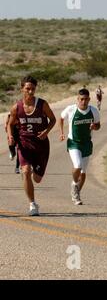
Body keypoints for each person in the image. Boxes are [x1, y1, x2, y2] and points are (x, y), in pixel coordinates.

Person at [7, 76, 56, 216]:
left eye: (33, 89)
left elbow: (52, 119)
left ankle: (36, 172)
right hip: (24, 144)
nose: (30, 91)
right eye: (27, 88)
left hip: (41, 145)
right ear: (22, 89)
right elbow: (10, 124)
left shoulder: (42, 104)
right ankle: (32, 204)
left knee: (37, 179)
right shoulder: (16, 107)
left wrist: (46, 131)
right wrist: (10, 136)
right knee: (26, 171)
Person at [59, 88, 101, 205]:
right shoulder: (71, 109)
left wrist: (94, 127)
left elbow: (98, 125)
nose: (83, 102)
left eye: (86, 99)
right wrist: (62, 132)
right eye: (81, 99)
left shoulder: (94, 111)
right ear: (77, 99)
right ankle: (74, 184)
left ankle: (76, 195)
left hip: (87, 143)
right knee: (77, 165)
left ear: (89, 99)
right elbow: (61, 118)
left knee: (83, 172)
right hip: (74, 142)